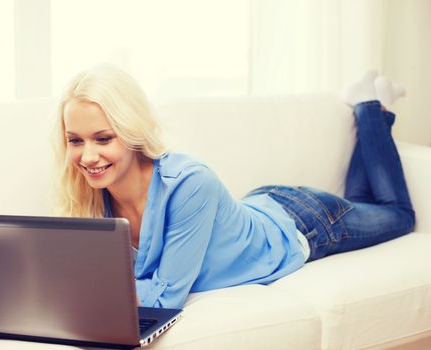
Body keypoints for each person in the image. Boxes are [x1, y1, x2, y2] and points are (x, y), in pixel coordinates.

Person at [53, 65, 415, 309]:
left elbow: (164, 299)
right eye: (75, 140)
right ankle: (374, 100)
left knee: (398, 216)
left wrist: (73, 292)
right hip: (259, 205)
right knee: (359, 202)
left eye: (102, 138)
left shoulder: (189, 182)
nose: (88, 156)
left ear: (132, 132)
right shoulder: (91, 195)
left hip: (303, 222)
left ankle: (368, 107)